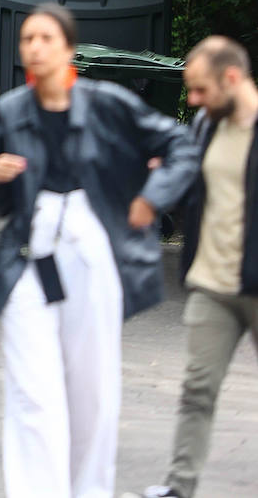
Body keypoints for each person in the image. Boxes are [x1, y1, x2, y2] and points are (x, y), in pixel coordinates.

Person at [0, 3, 197, 498]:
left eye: (45, 38)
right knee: (32, 391)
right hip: (29, 254)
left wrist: (152, 198)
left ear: (68, 48)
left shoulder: (106, 103)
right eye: (27, 39)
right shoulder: (9, 110)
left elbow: (181, 143)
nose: (34, 47)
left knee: (90, 390)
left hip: (92, 248)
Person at [127, 37, 258, 498]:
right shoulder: (205, 125)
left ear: (233, 78)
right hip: (212, 284)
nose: (194, 101)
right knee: (196, 391)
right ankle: (179, 489)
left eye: (201, 90)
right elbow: (187, 182)